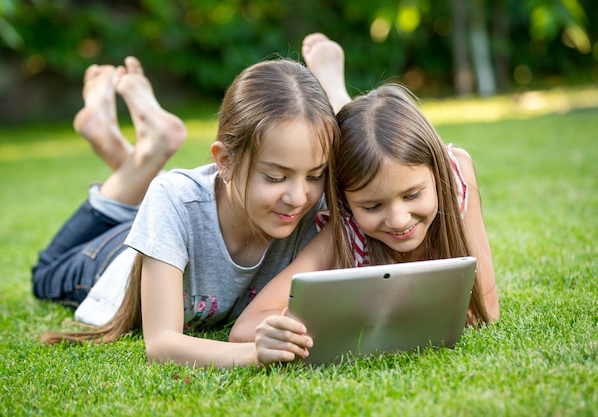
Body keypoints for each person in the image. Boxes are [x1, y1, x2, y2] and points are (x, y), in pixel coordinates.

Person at [33, 55, 340, 368]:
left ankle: (145, 147)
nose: (299, 196)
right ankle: (120, 142)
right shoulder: (174, 198)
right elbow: (162, 344)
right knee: (44, 273)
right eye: (276, 177)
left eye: (315, 175)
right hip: (112, 260)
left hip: (172, 224)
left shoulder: (317, 210)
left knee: (163, 203)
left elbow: (374, 157)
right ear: (225, 161)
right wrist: (254, 354)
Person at [231, 33, 500, 363]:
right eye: (372, 206)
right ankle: (334, 91)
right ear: (344, 205)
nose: (399, 220)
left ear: (438, 176)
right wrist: (286, 330)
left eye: (413, 194)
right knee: (361, 147)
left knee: (373, 143)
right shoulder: (345, 229)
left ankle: (334, 87)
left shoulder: (456, 175)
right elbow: (245, 329)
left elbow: (486, 310)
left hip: (420, 163)